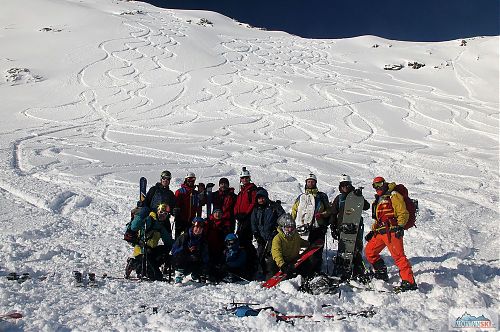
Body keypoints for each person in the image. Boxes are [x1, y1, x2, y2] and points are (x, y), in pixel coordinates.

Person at [364, 176, 418, 291]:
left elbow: (402, 211)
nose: (377, 188)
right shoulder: (379, 198)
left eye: (379, 184)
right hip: (380, 231)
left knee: (399, 257)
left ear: (384, 183)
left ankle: (409, 282)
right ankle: (381, 273)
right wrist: (373, 231)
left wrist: (400, 226)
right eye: (375, 186)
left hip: (392, 231)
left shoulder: (393, 195)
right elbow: (379, 219)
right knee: (370, 251)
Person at [330, 174, 370, 280]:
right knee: (343, 249)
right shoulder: (339, 199)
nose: (345, 187)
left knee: (356, 248)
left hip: (355, 227)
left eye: (347, 185)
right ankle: (342, 268)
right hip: (342, 228)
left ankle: (358, 269)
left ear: (350, 185)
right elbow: (333, 213)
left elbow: (366, 206)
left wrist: (360, 196)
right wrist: (333, 227)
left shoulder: (356, 196)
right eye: (343, 185)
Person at [291, 173, 331, 272]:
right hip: (304, 229)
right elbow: (294, 211)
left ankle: (316, 271)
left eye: (312, 181)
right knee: (303, 251)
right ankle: (303, 271)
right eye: (308, 181)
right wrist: (291, 224)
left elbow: (329, 211)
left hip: (318, 228)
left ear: (315, 183)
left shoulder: (321, 196)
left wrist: (322, 215)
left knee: (316, 253)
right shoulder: (301, 197)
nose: (310, 183)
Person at [125, 203, 174, 281]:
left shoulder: (160, 226)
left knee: (164, 251)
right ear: (158, 211)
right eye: (161, 212)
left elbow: (168, 241)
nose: (163, 215)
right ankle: (134, 263)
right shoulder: (148, 219)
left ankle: (145, 266)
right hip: (141, 251)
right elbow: (135, 228)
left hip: (151, 251)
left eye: (165, 214)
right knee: (153, 275)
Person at [250, 188, 285, 279]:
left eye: (263, 198)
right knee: (260, 254)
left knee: (272, 255)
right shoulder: (256, 209)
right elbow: (253, 223)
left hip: (273, 236)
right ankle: (262, 271)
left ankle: (272, 273)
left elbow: (283, 218)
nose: (261, 200)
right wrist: (256, 235)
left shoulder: (274, 207)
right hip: (261, 237)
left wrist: (277, 229)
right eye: (259, 198)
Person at [269, 213, 311, 279]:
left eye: (292, 227)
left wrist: (309, 244)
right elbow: (276, 253)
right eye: (287, 227)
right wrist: (282, 265)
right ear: (283, 227)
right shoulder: (278, 238)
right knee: (271, 265)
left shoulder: (295, 235)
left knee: (307, 264)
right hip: (282, 262)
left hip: (293, 260)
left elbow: (300, 242)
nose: (290, 229)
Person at [171, 217, 210, 283]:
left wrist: (205, 266)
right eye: (196, 227)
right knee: (181, 256)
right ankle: (178, 276)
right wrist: (187, 249)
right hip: (180, 261)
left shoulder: (203, 240)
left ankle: (191, 276)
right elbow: (174, 251)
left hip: (193, 261)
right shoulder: (184, 237)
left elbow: (205, 254)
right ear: (193, 227)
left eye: (200, 228)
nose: (198, 230)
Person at [233, 167, 258, 270]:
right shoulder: (242, 191)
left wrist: (246, 214)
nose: (245, 180)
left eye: (246, 178)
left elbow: (253, 203)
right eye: (243, 178)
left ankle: (251, 262)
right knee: (240, 239)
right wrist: (236, 214)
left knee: (245, 239)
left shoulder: (252, 189)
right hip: (240, 218)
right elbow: (237, 204)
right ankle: (243, 261)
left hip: (247, 218)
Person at [174, 172, 205, 239]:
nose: (191, 182)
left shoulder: (196, 193)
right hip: (181, 220)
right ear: (186, 180)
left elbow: (201, 203)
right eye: (189, 180)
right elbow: (175, 205)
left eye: (193, 180)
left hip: (192, 221)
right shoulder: (180, 192)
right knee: (179, 239)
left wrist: (203, 192)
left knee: (190, 239)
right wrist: (177, 215)